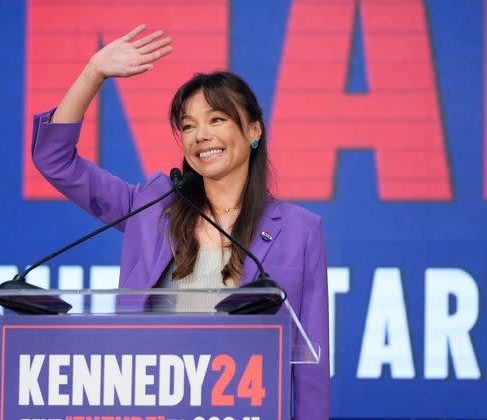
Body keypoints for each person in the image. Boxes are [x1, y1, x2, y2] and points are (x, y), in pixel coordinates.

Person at [31, 24, 329, 419]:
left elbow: (310, 365)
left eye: (217, 120)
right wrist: (93, 73)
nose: (200, 136)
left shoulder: (300, 230)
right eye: (188, 126)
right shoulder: (154, 207)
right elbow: (56, 162)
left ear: (254, 131)